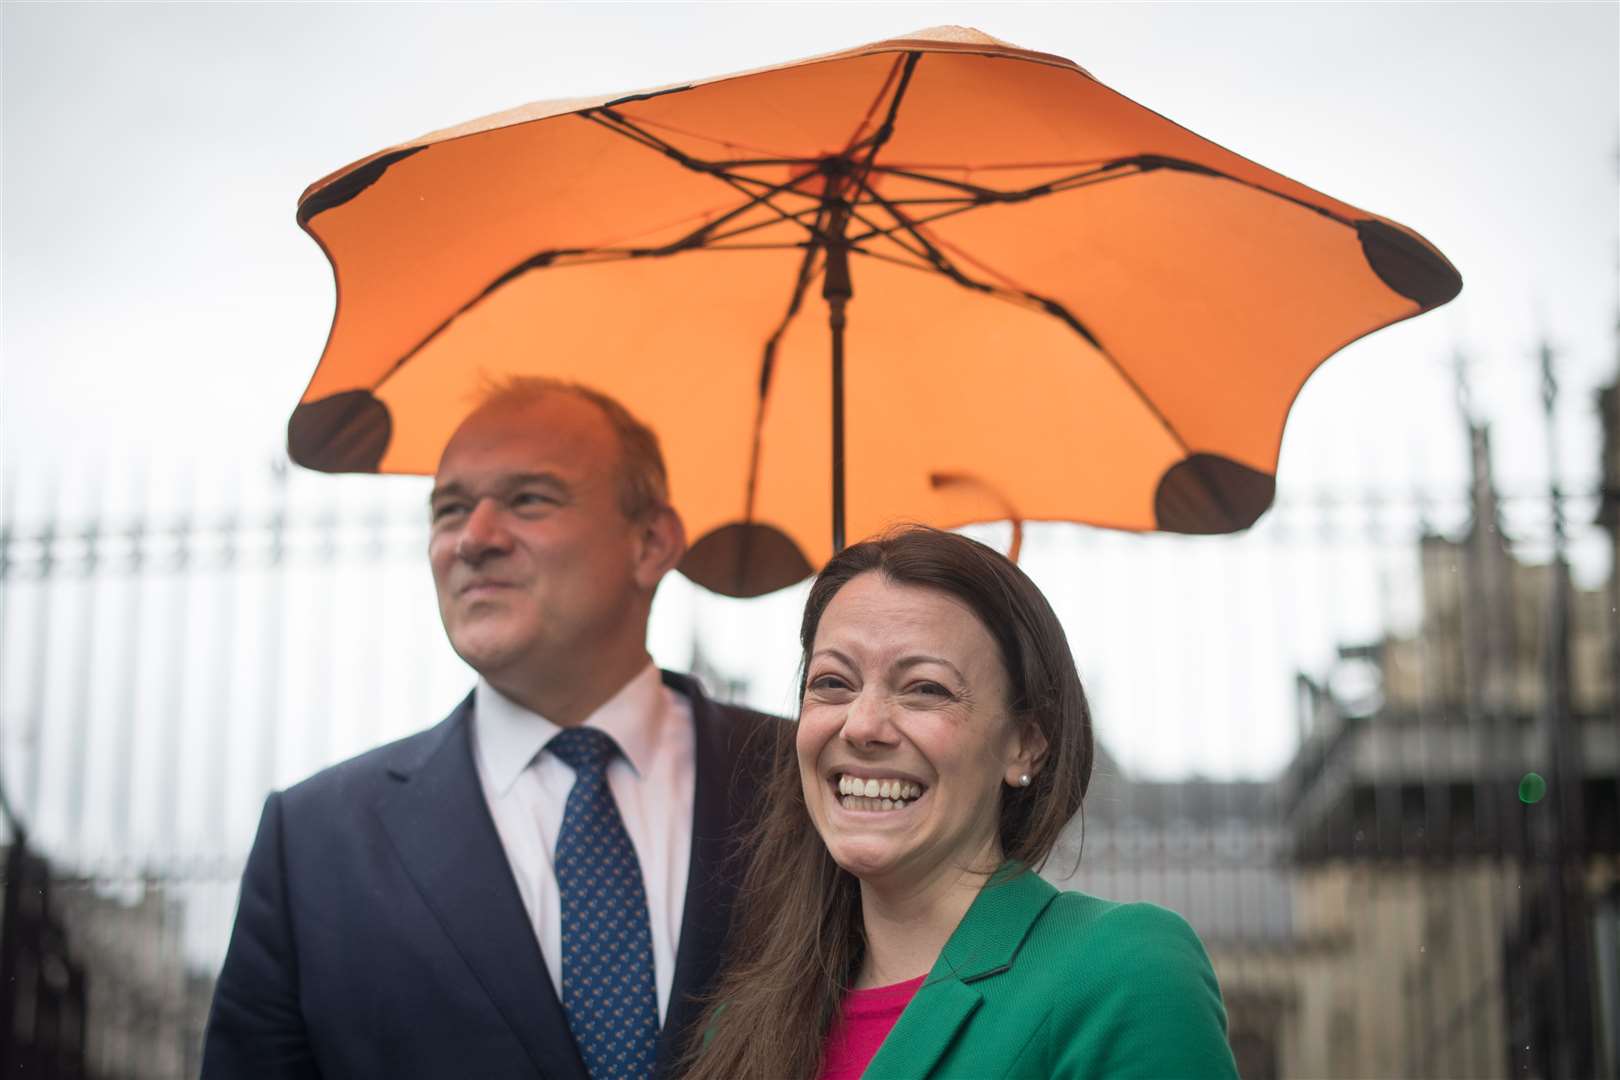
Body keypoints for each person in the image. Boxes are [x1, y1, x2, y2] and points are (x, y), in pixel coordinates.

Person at [202, 377, 778, 1079]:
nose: (472, 539)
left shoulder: (800, 783)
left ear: (651, 542)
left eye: (528, 499)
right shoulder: (315, 844)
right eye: (448, 510)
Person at [683, 526, 1239, 1080]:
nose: (863, 725)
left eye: (926, 689)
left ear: (1025, 745)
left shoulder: (1122, 975)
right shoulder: (739, 1023)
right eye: (833, 682)